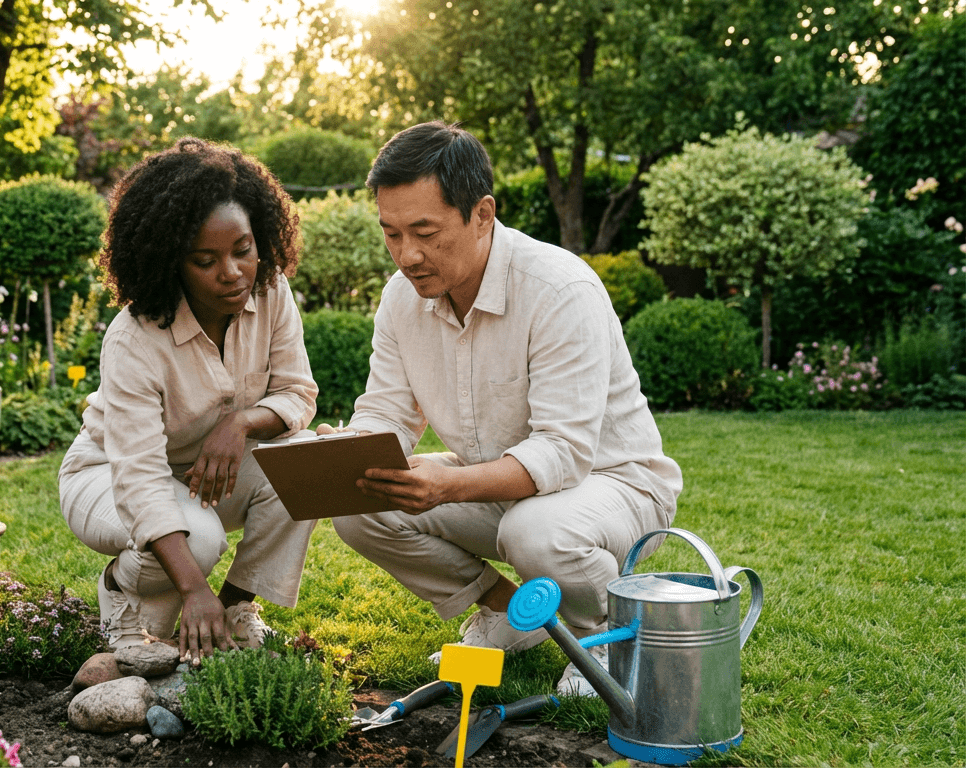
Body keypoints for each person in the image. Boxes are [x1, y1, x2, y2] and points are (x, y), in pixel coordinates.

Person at [319, 122, 683, 696]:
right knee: (362, 510)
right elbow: (387, 411)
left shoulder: (560, 290)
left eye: (425, 232)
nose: (407, 254)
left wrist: (445, 486)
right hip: (502, 490)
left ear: (482, 214)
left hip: (615, 486)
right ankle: (513, 613)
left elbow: (564, 453)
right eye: (391, 233)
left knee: (535, 530)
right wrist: (350, 451)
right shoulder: (400, 298)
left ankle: (610, 636)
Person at [58, 138, 319, 664]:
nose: (232, 272)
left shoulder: (271, 293)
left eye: (243, 249)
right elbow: (139, 477)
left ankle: (234, 610)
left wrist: (241, 423)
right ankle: (119, 587)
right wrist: (191, 587)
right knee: (196, 541)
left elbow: (298, 393)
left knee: (307, 466)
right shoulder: (134, 338)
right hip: (108, 474)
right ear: (169, 261)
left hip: (207, 470)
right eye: (206, 259)